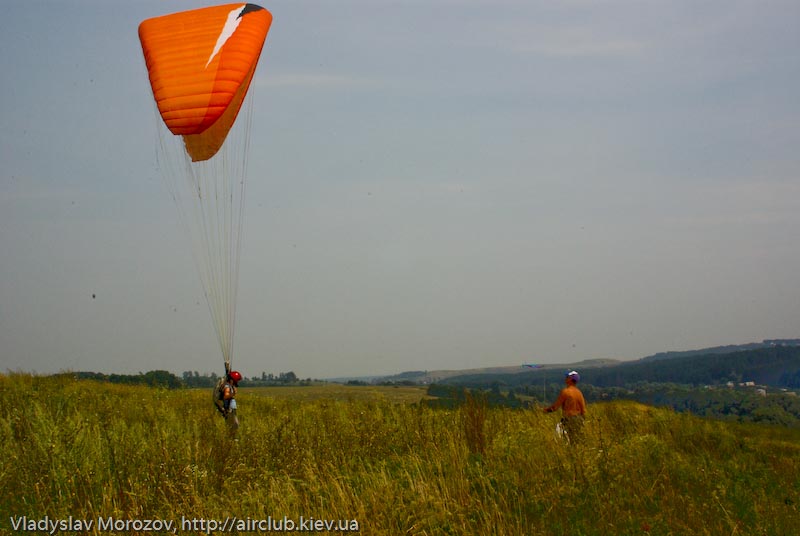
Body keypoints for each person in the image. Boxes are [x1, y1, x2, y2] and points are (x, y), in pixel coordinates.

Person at [543, 370, 586, 443]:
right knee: (576, 441)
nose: (565, 378)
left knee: (566, 441)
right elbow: (583, 410)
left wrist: (545, 410)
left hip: (569, 420)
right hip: (579, 419)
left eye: (567, 377)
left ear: (570, 379)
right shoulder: (579, 393)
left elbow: (555, 407)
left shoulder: (565, 392)